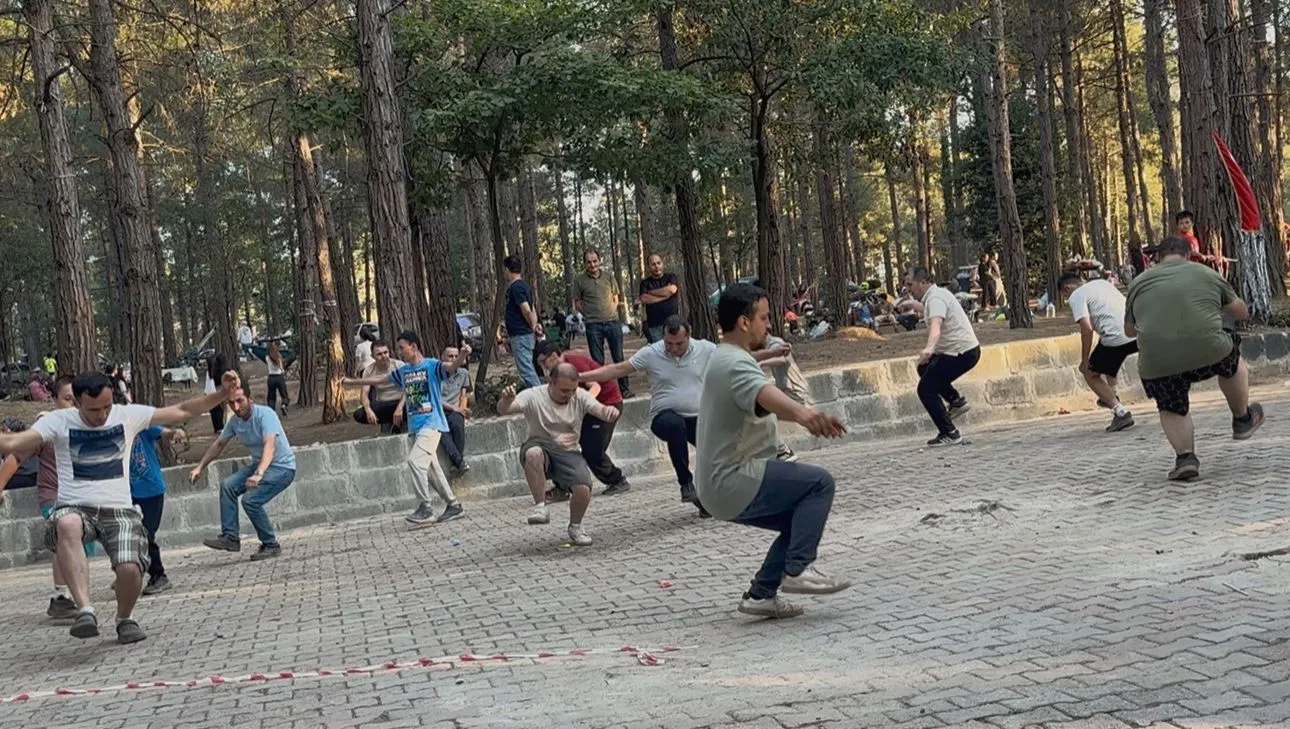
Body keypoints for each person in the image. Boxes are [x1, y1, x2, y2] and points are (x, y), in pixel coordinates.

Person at [0, 369, 241, 643]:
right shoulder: (58, 422)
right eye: (93, 410)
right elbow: (12, 443)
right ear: (77, 403)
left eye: (106, 406)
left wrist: (222, 393)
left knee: (129, 569)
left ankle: (124, 618)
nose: (102, 415)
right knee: (66, 523)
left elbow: (183, 410)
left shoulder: (126, 415)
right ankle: (85, 610)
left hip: (118, 509)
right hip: (75, 506)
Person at [697, 283, 851, 619]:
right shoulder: (735, 365)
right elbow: (766, 394)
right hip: (732, 477)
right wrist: (806, 415)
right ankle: (798, 571)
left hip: (717, 485)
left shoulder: (726, 356)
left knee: (801, 519)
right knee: (819, 484)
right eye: (764, 318)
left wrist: (770, 357)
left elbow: (756, 385)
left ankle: (761, 595)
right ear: (743, 322)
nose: (769, 326)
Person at [581, 315, 793, 515]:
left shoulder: (705, 349)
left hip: (700, 418)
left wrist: (771, 353)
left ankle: (721, 500)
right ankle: (686, 483)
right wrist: (580, 376)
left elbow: (741, 357)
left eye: (679, 344)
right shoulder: (651, 353)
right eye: (668, 343)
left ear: (688, 336)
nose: (673, 349)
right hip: (664, 416)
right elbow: (617, 370)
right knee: (675, 426)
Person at [1124, 235, 1264, 481]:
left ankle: (1185, 457)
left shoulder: (1138, 283)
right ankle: (1242, 419)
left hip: (1159, 363)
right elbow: (1241, 311)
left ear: (1157, 257)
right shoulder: (1206, 273)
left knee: (1170, 404)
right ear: (1189, 255)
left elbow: (1129, 331)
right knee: (1231, 360)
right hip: (1209, 352)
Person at [342, 332, 471, 525]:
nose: (399, 352)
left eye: (402, 347)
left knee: (414, 462)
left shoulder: (431, 366)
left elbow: (451, 367)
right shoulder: (404, 372)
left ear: (414, 346)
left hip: (432, 424)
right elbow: (380, 381)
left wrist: (462, 354)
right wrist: (352, 382)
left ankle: (425, 508)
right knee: (430, 469)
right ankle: (453, 505)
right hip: (416, 427)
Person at [496, 364, 621, 547]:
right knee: (533, 454)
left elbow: (599, 409)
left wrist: (609, 413)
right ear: (550, 383)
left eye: (572, 390)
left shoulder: (579, 396)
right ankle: (540, 506)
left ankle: (575, 526)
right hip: (540, 444)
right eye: (563, 390)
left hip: (568, 450)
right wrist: (506, 400)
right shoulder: (534, 395)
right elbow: (504, 409)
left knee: (583, 489)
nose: (568, 395)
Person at [0, 377, 87, 621]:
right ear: (55, 399)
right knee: (64, 541)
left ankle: (72, 594)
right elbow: (15, 457)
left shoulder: (86, 425)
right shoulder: (46, 428)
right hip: (53, 496)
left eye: (76, 399)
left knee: (77, 545)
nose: (72, 405)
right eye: (66, 399)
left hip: (80, 498)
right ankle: (61, 597)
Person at [191, 387, 297, 560]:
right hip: (259, 465)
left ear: (250, 399)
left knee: (250, 500)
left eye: (240, 401)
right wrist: (200, 467)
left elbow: (269, 445)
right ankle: (230, 537)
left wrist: (259, 473)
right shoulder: (235, 422)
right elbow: (219, 445)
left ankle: (271, 544)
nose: (236, 406)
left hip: (282, 468)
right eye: (232, 403)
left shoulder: (266, 415)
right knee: (228, 486)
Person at [534, 341, 631, 497]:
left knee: (591, 449)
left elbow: (595, 387)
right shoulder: (555, 373)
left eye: (543, 361)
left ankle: (616, 480)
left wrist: (580, 407)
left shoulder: (574, 365)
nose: (543, 366)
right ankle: (563, 486)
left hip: (606, 404)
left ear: (553, 356)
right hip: (586, 411)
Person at [902, 266, 981, 447]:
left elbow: (936, 326)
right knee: (925, 369)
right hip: (964, 350)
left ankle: (950, 433)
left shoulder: (936, 298)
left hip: (961, 353)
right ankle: (956, 400)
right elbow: (931, 308)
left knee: (926, 389)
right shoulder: (936, 295)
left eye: (910, 284)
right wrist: (915, 306)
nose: (908, 289)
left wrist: (929, 349)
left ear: (923, 282)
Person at [1059, 272, 1138, 432]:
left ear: (1067, 288)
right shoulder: (1102, 283)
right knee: (1106, 353)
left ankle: (1119, 411)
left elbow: (1086, 329)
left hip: (1116, 338)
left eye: (1065, 295)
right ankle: (1111, 394)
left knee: (1090, 374)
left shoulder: (1076, 296)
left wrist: (1084, 360)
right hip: (1136, 331)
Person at [130, 423, 186, 594]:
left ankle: (159, 575)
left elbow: (164, 432)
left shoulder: (140, 423)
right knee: (125, 534)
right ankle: (128, 574)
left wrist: (175, 432)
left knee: (146, 534)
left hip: (151, 490)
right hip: (127, 491)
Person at [572, 249, 632, 397]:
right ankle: (603, 392)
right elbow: (578, 303)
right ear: (585, 263)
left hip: (612, 322)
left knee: (618, 357)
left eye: (595, 261)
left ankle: (624, 389)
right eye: (589, 262)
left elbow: (616, 297)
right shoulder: (579, 280)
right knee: (597, 361)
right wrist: (589, 315)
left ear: (599, 261)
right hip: (593, 325)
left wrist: (611, 311)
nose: (592, 264)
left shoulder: (609, 277)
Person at [504, 255, 544, 389]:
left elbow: (526, 309)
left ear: (507, 270)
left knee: (526, 371)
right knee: (530, 367)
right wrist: (535, 324)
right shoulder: (525, 286)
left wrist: (533, 326)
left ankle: (541, 398)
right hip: (523, 334)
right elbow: (532, 308)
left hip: (521, 335)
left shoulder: (516, 287)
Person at [351, 340, 406, 436]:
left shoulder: (399, 366)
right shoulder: (368, 371)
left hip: (401, 402)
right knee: (359, 414)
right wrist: (368, 410)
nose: (383, 356)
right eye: (379, 354)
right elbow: (364, 394)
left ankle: (397, 424)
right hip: (383, 404)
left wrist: (400, 407)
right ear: (372, 356)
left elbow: (408, 389)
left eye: (385, 352)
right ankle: (391, 425)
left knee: (412, 407)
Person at [438, 345, 472, 476]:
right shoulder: (437, 374)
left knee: (457, 424)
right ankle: (459, 461)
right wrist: (454, 408)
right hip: (439, 409)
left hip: (455, 410)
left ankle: (456, 463)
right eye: (450, 356)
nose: (453, 359)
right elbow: (436, 399)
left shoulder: (463, 373)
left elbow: (463, 395)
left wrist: (463, 409)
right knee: (442, 430)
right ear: (442, 357)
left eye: (456, 356)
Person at [638, 254, 680, 344]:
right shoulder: (645, 283)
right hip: (654, 326)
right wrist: (665, 295)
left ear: (662, 264)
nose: (656, 266)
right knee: (659, 353)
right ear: (649, 266)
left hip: (673, 323)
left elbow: (672, 289)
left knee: (675, 350)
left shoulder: (671, 277)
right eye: (653, 264)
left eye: (658, 263)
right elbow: (644, 299)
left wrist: (652, 292)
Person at [204, 353, 228, 434]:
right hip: (214, 392)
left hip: (209, 392)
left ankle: (216, 427)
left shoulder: (209, 371)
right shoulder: (216, 371)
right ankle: (219, 427)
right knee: (218, 410)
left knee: (214, 411)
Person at [266, 342, 289, 416]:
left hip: (271, 378)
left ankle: (271, 412)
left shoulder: (267, 357)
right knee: (284, 395)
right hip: (279, 377)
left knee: (271, 397)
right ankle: (283, 405)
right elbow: (281, 367)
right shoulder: (279, 357)